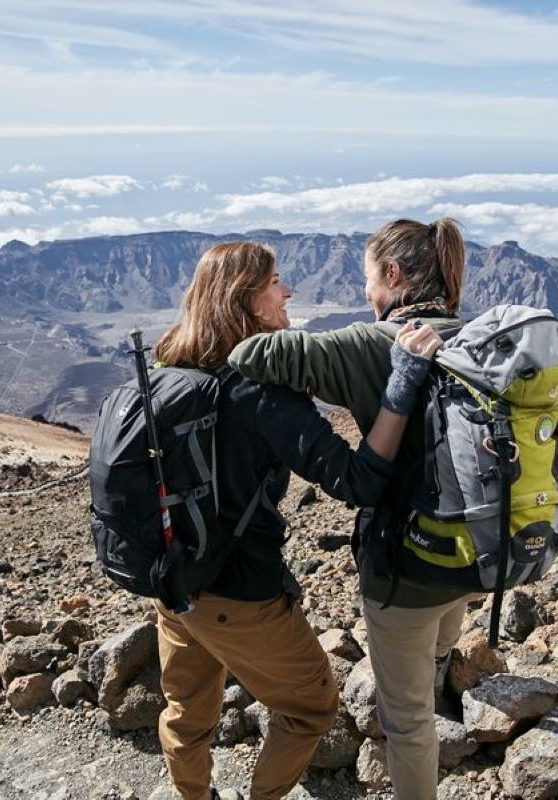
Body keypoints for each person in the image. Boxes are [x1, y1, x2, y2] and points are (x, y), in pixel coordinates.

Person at [149, 241, 443, 800]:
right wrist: (401, 387)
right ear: (248, 301)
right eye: (277, 282)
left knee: (187, 709)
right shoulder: (263, 392)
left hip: (170, 578)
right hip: (239, 594)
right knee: (312, 707)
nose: (289, 292)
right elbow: (357, 482)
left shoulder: (170, 370)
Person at [228, 218, 471, 800]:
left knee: (408, 723)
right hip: (474, 553)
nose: (365, 292)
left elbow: (250, 353)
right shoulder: (472, 336)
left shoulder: (371, 345)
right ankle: (437, 667)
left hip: (405, 569)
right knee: (433, 649)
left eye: (367, 278)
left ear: (391, 275)